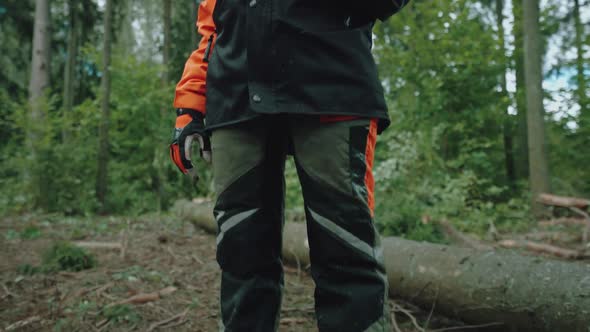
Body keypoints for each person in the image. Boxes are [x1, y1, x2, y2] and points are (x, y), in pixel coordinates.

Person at [169, 1, 410, 331]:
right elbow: (212, 26)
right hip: (234, 94)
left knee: (346, 254)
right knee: (241, 256)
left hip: (334, 83)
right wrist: (191, 106)